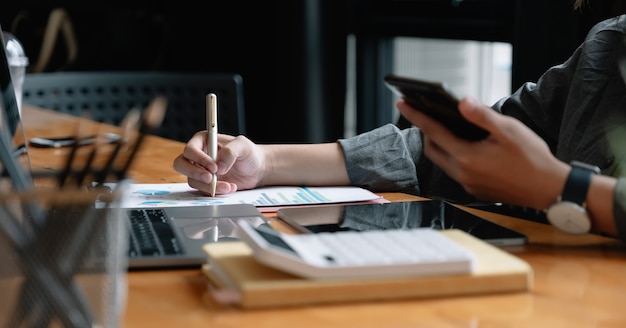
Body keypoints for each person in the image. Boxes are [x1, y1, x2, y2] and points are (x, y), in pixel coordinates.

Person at [173, 2, 626, 242]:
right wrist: (265, 162)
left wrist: (556, 186)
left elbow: (539, 176)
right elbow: (445, 151)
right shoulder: (610, 48)